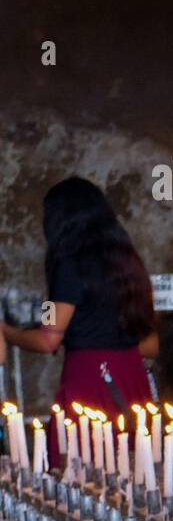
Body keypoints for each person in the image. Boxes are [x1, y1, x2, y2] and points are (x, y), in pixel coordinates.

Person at [2, 178, 157, 456]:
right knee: (134, 467)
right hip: (132, 374)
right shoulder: (128, 261)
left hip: (92, 377)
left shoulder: (69, 263)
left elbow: (48, 339)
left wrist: (6, 331)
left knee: (82, 468)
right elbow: (150, 341)